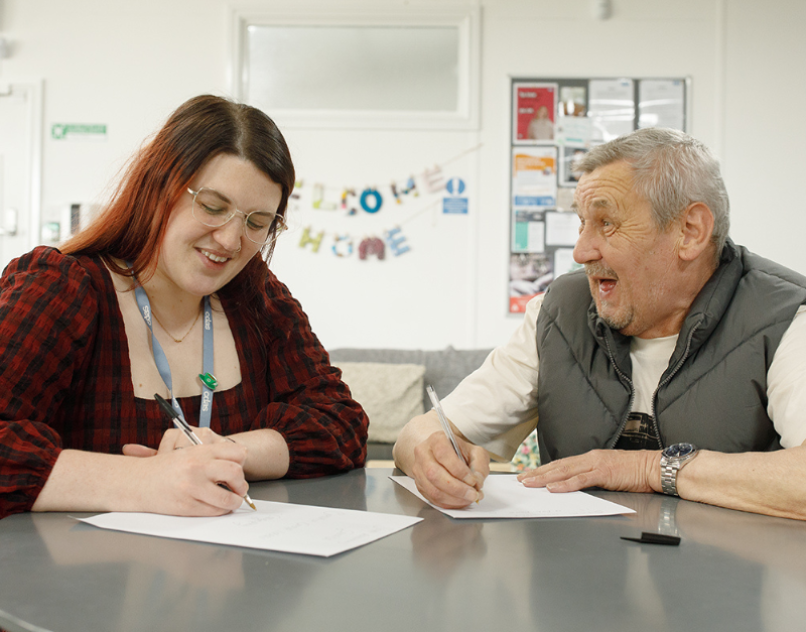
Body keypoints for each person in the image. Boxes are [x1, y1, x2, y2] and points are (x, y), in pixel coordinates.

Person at [394, 127, 806, 521]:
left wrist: (647, 469)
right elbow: (420, 434)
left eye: (607, 223)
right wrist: (429, 455)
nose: (581, 251)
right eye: (581, 223)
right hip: (575, 568)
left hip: (728, 572)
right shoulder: (559, 311)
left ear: (690, 231)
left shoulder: (787, 317)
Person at [0, 95, 368, 520]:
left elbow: (341, 423)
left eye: (256, 223)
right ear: (159, 187)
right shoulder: (60, 288)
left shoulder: (259, 299)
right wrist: (141, 481)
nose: (230, 241)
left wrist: (225, 452)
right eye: (212, 207)